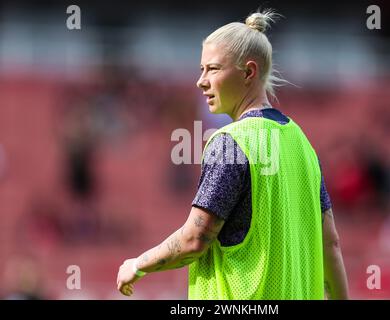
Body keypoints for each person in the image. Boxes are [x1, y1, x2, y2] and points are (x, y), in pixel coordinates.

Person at [117, 9, 349, 300]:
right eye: (201, 70)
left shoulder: (230, 143)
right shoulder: (303, 145)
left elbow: (194, 239)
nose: (201, 81)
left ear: (249, 72)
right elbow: (331, 245)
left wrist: (137, 264)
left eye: (212, 69)